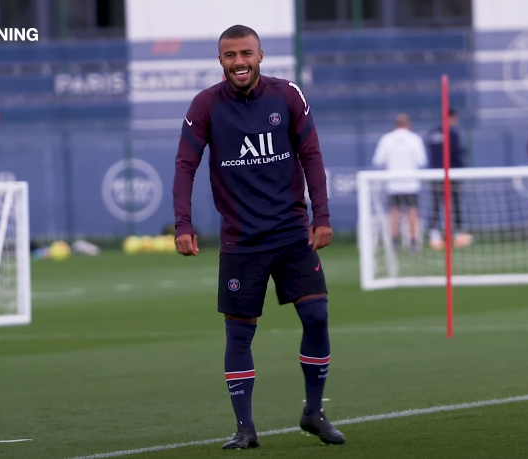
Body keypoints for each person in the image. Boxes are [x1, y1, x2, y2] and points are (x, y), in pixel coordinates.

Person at [172, 24, 345, 449]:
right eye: (230, 55)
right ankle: (245, 429)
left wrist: (320, 214)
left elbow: (311, 156)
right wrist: (183, 223)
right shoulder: (206, 105)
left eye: (246, 53)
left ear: (261, 55)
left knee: (318, 317)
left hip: (291, 234)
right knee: (239, 333)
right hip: (241, 242)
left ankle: (313, 411)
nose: (239, 62)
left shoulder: (288, 95)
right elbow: (184, 165)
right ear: (220, 61)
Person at [372, 113, 427, 252]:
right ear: (408, 124)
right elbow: (422, 161)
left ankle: (394, 242)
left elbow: (378, 160)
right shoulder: (415, 139)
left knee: (394, 213)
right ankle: (413, 242)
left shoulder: (387, 139)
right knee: (412, 213)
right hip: (411, 184)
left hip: (393, 184)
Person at [424, 107, 472, 250]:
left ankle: (434, 236)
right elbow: (457, 153)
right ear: (451, 118)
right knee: (455, 204)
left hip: (435, 174)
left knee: (436, 205)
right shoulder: (452, 133)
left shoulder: (431, 133)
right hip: (451, 174)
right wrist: (461, 167)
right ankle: (458, 235)